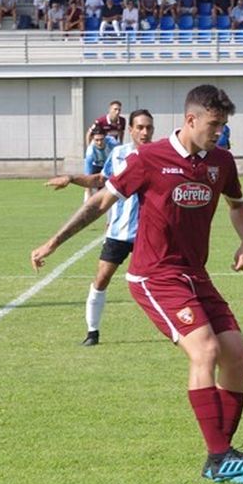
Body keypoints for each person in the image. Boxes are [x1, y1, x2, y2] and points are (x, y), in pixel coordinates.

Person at [30, 85, 243, 484]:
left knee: (237, 358)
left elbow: (237, 204)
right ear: (191, 119)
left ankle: (222, 456)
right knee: (206, 350)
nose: (219, 132)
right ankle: (219, 457)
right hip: (154, 275)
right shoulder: (149, 158)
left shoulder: (221, 161)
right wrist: (54, 242)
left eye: (223, 125)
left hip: (195, 274)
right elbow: (100, 202)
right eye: (214, 125)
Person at [45, 110, 154, 346]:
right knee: (102, 278)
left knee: (162, 281)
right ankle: (92, 332)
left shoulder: (160, 155)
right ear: (131, 130)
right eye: (140, 127)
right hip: (119, 232)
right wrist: (71, 179)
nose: (145, 132)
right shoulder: (118, 154)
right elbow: (100, 181)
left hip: (150, 234)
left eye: (149, 128)